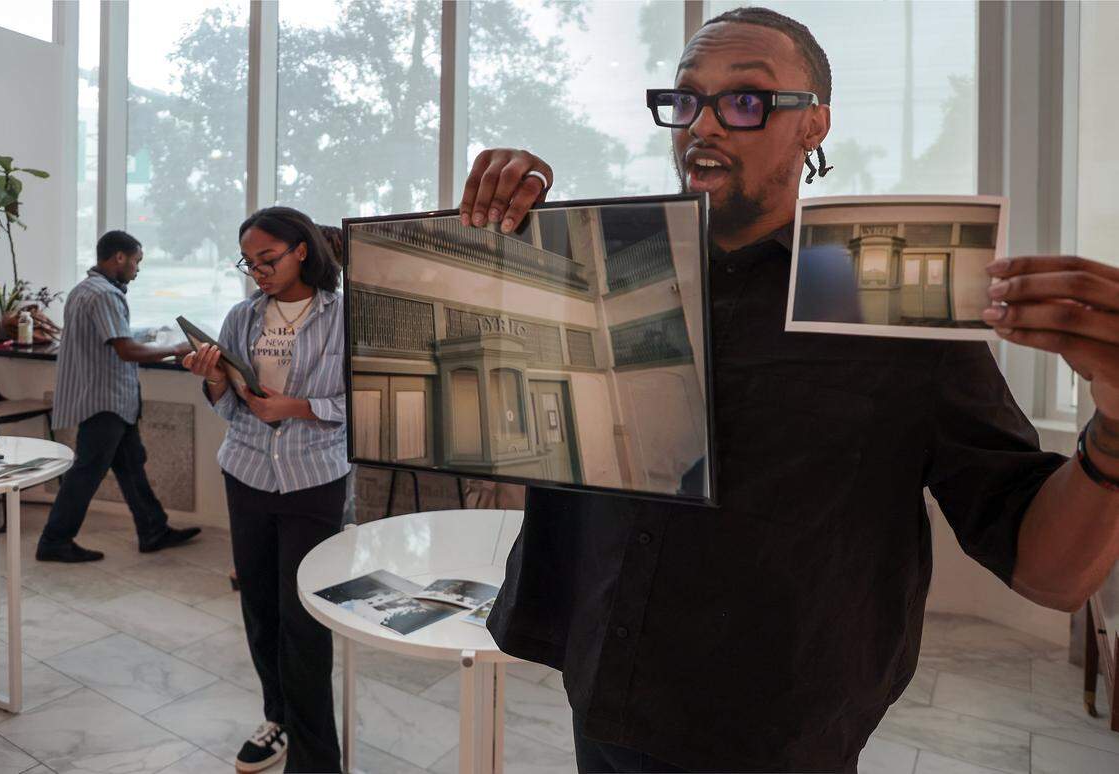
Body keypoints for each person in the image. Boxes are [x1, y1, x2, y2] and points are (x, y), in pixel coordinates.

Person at [461, 7, 1119, 773]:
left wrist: (1115, 420)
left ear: (815, 126)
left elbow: (1051, 571)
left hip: (772, 737)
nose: (702, 125)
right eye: (684, 101)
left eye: (745, 101)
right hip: (603, 694)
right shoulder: (616, 271)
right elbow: (492, 400)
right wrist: (489, 238)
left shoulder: (889, 294)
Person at [184, 206, 346, 774]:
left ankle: (317, 757)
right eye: (249, 264)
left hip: (314, 482)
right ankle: (276, 718)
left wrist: (296, 407)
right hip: (248, 473)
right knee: (260, 609)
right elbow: (229, 406)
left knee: (305, 618)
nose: (259, 272)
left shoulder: (344, 317)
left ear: (301, 249)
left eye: (268, 259)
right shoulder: (242, 316)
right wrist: (212, 376)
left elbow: (361, 406)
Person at [37, 230, 201, 563]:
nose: (138, 270)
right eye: (137, 261)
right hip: (106, 400)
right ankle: (54, 540)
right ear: (119, 258)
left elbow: (109, 339)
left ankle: (153, 529)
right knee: (87, 471)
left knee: (131, 466)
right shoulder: (105, 295)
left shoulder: (84, 290)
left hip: (103, 397)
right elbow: (125, 350)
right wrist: (176, 349)